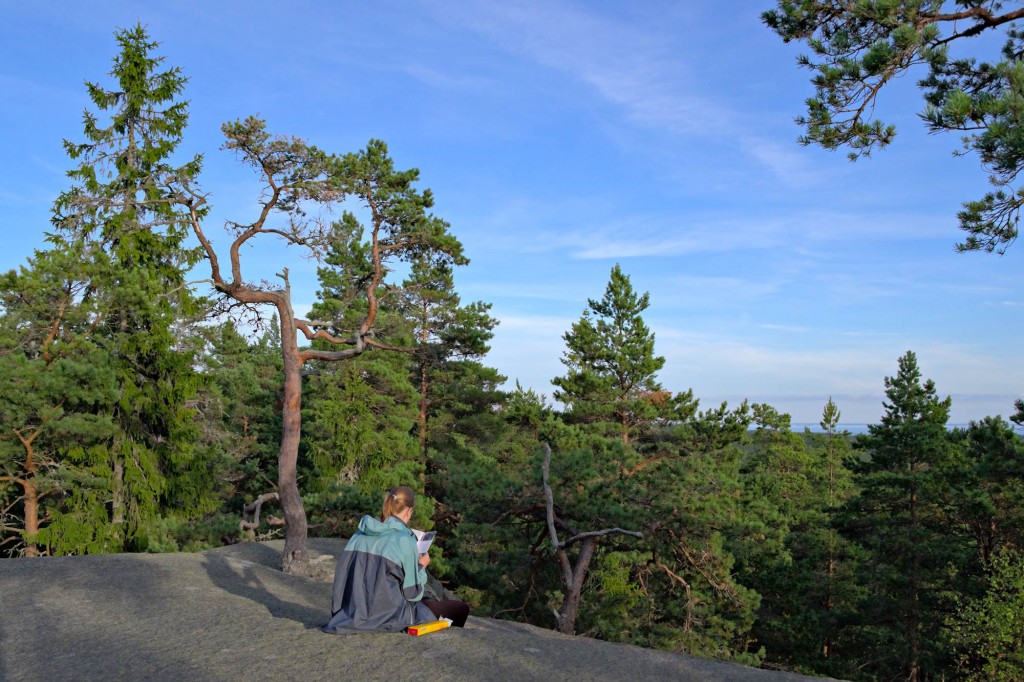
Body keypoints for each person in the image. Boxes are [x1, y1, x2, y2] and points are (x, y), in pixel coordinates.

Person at [322, 486, 470, 634]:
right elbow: (412, 594)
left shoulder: (358, 535)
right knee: (460, 609)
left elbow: (341, 581)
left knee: (431, 602)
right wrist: (420, 566)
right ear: (409, 511)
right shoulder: (405, 540)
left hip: (349, 616)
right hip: (390, 618)